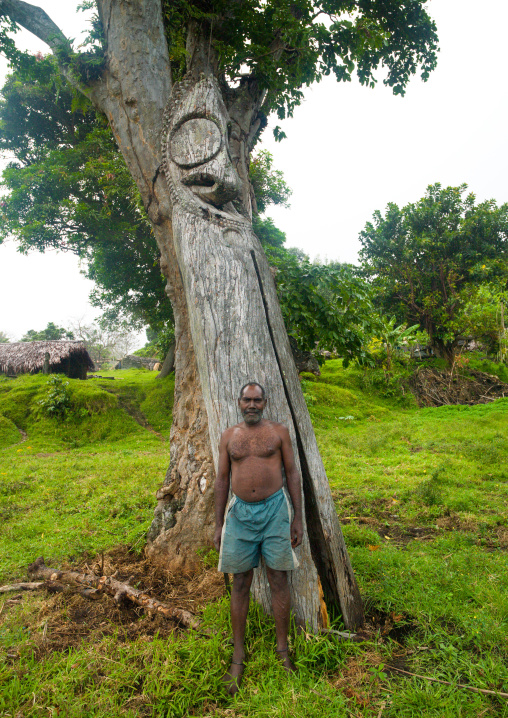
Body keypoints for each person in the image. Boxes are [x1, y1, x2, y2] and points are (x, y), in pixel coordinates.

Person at [214, 382, 303, 695]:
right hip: (239, 515)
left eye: (257, 400)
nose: (251, 405)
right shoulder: (229, 436)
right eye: (246, 400)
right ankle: (238, 657)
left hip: (275, 511)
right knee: (240, 583)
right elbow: (222, 479)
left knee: (278, 579)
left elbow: (292, 473)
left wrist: (298, 518)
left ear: (265, 402)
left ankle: (283, 652)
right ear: (239, 402)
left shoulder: (278, 432)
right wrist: (218, 524)